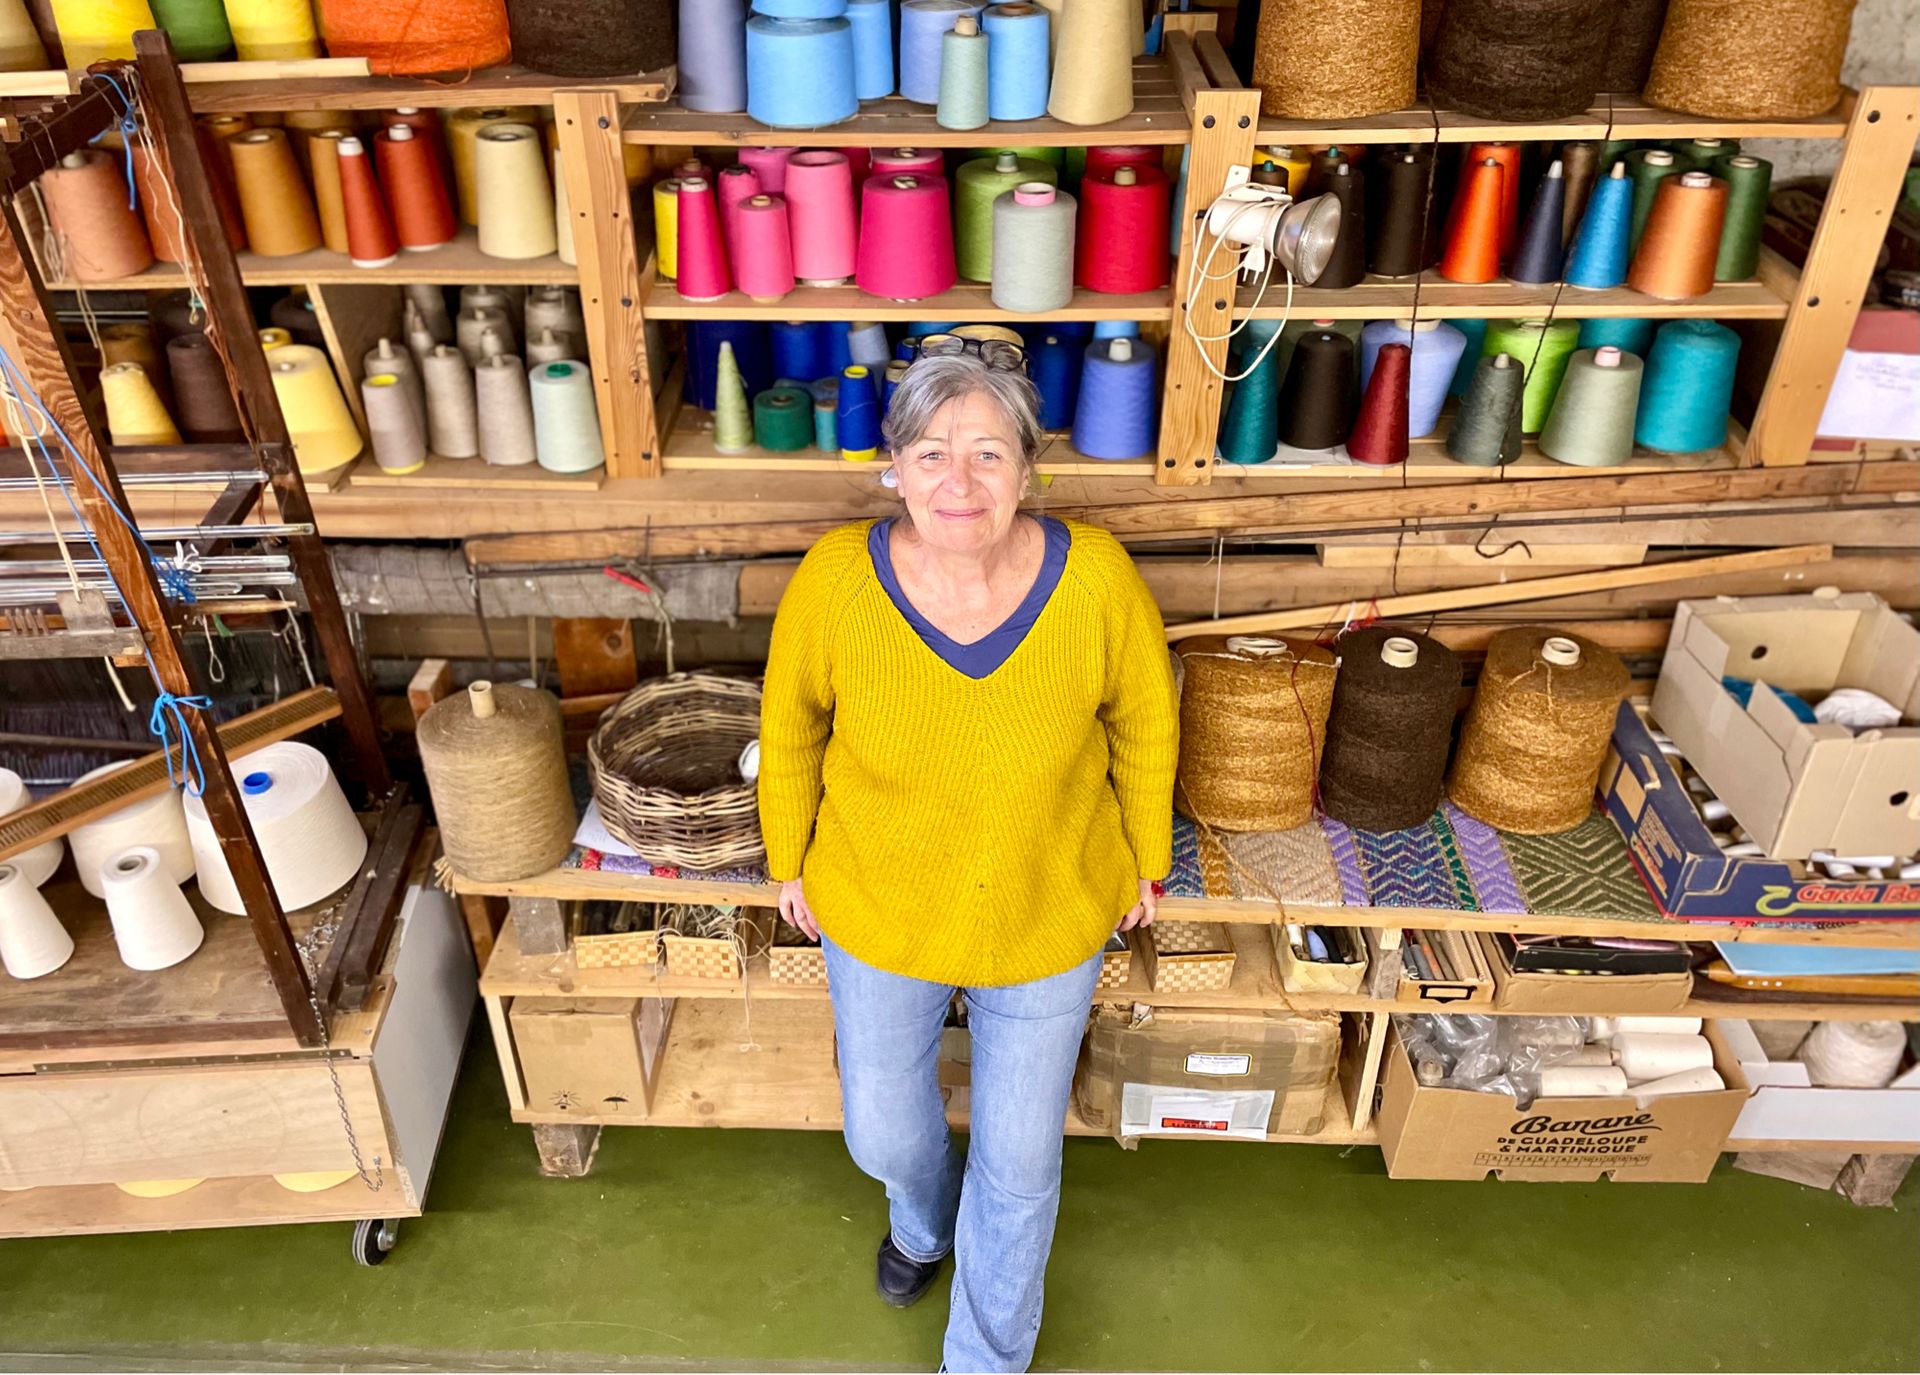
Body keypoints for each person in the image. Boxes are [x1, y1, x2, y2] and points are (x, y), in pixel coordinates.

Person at [757, 347, 1179, 1373]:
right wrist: (786, 859)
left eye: (990, 453)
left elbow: (1145, 720)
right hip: (880, 900)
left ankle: (984, 1355)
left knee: (1023, 1158)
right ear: (892, 465)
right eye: (934, 452)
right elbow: (791, 724)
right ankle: (922, 1217)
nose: (961, 480)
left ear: (1029, 470)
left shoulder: (1096, 579)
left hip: (1050, 897)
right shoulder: (835, 582)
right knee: (886, 1134)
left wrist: (1148, 858)